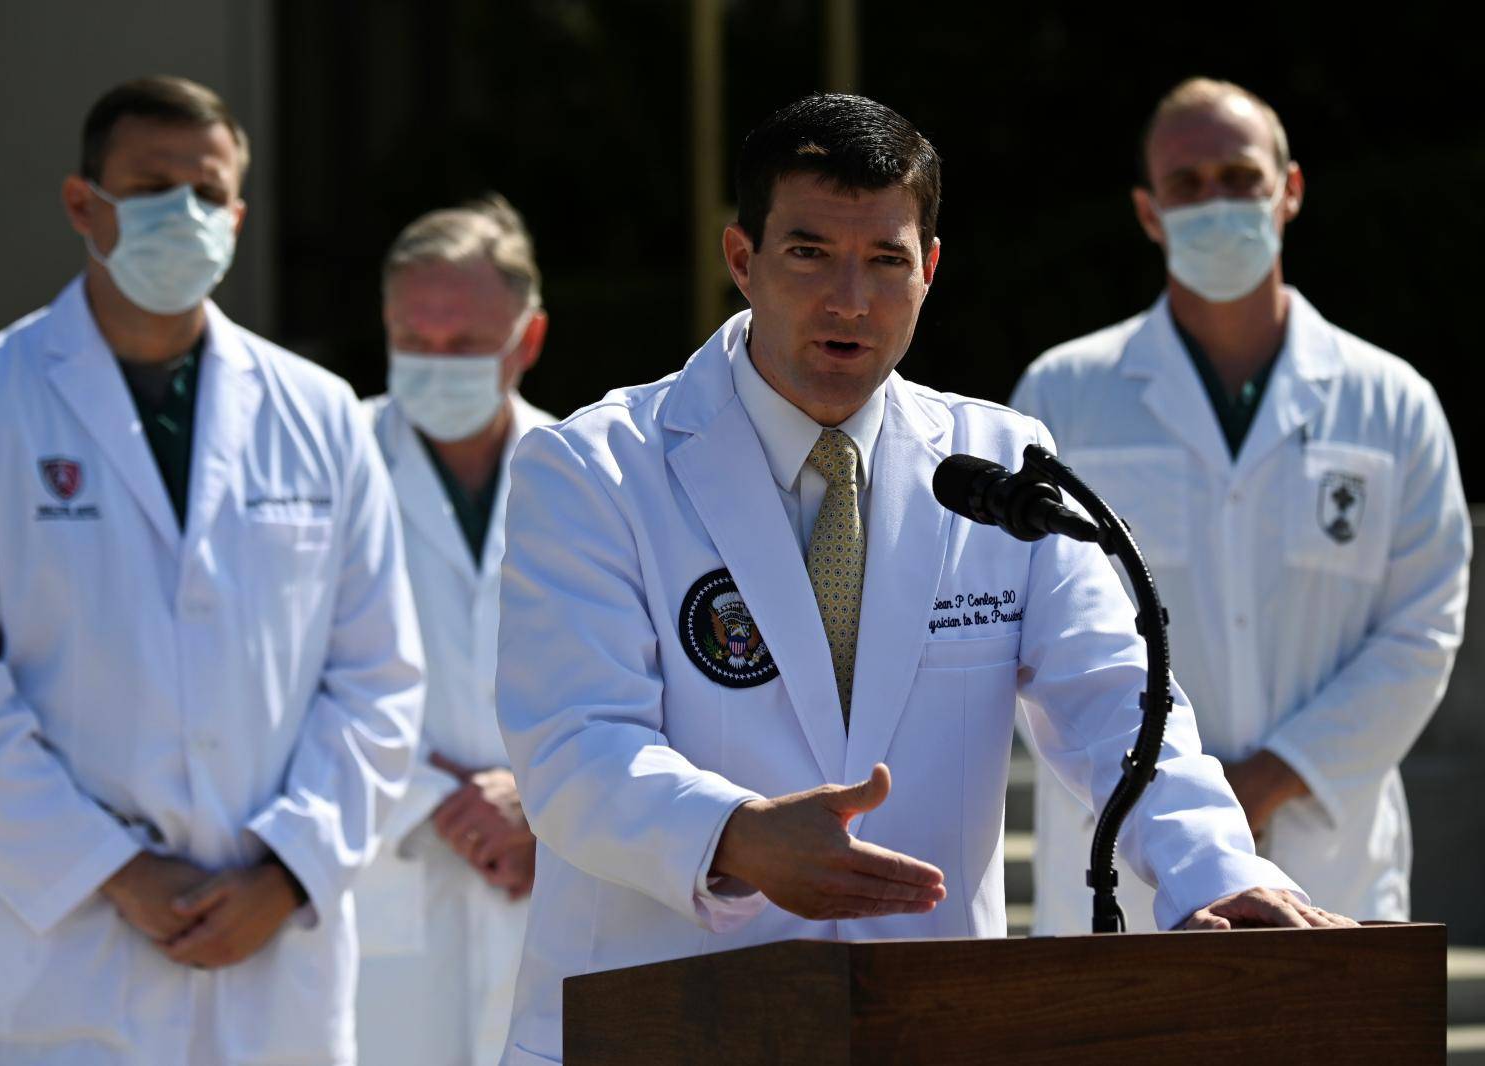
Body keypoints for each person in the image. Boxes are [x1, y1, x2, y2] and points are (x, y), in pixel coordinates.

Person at [493, 93, 1352, 1065]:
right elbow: (573, 749)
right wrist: (735, 835)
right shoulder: (598, 468)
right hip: (662, 1024)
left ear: (931, 268)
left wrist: (1211, 869)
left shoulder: (1000, 465)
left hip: (925, 1023)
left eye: (886, 261)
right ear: (742, 261)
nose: (849, 300)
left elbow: (1117, 697)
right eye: (810, 253)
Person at [0, 76, 424, 1064]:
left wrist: (289, 870)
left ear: (239, 215)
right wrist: (115, 869)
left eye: (207, 192)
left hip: (273, 960)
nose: (185, 213)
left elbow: (379, 679)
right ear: (82, 203)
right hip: (60, 959)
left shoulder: (319, 413)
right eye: (151, 184)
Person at [1016, 77, 1471, 935]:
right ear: (1148, 213)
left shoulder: (1392, 402)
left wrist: (1271, 777)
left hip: (1331, 862)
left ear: (1288, 189)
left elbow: (1420, 631)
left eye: (1238, 176)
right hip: (1126, 874)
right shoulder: (1062, 395)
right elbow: (1030, 630)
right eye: (1186, 185)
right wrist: (1184, 797)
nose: (1214, 201)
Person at [355, 195, 553, 1066]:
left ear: (527, 340)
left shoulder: (591, 476)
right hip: (378, 873)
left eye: (465, 345)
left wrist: (542, 803)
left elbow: (651, 678)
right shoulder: (325, 465)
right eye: (413, 342)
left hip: (550, 879)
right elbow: (262, 678)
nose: (436, 364)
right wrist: (439, 801)